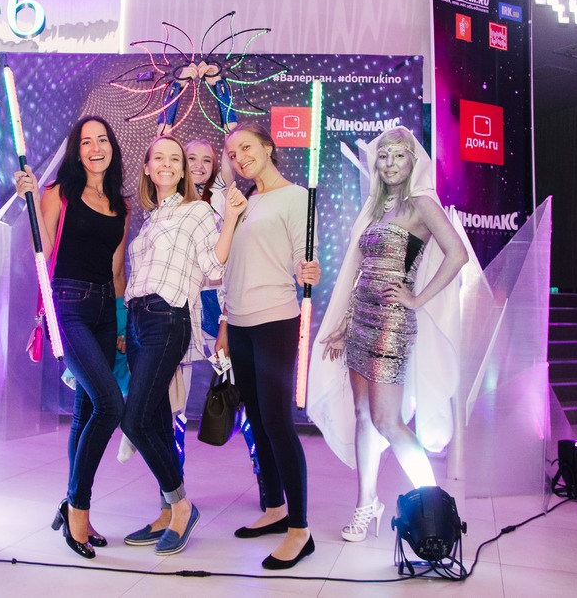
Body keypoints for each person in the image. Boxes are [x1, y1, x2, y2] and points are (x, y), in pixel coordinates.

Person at [311, 126, 468, 543]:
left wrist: (417, 299)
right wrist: (344, 324)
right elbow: (359, 272)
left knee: (387, 420)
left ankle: (433, 508)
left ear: (413, 161)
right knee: (363, 415)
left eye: (399, 155)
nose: (391, 163)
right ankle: (366, 505)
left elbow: (457, 254)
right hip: (360, 320)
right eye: (384, 156)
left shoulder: (421, 202)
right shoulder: (375, 207)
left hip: (392, 323)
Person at [121, 135, 247, 556]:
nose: (168, 163)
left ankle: (181, 506)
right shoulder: (151, 219)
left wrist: (230, 219)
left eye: (175, 158)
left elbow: (213, 265)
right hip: (138, 322)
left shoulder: (196, 211)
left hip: (168, 319)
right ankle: (166, 512)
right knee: (156, 421)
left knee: (135, 421)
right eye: (159, 157)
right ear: (147, 167)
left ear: (182, 171)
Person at [14, 116, 129, 559]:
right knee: (110, 404)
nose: (96, 148)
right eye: (86, 142)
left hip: (105, 309)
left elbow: (117, 270)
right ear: (76, 151)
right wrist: (29, 200)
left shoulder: (119, 205)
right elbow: (43, 248)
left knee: (85, 411)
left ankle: (72, 504)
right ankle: (78, 508)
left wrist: (121, 322)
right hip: (68, 304)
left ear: (112, 147)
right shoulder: (57, 192)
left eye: (102, 140)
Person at [217, 123, 320, 570]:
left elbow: (303, 255)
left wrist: (307, 270)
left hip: (276, 319)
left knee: (277, 421)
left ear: (268, 147)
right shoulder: (243, 201)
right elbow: (232, 266)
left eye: (246, 148)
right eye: (232, 153)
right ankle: (274, 507)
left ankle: (300, 530)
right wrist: (225, 321)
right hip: (239, 322)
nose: (239, 157)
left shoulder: (295, 197)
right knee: (257, 419)